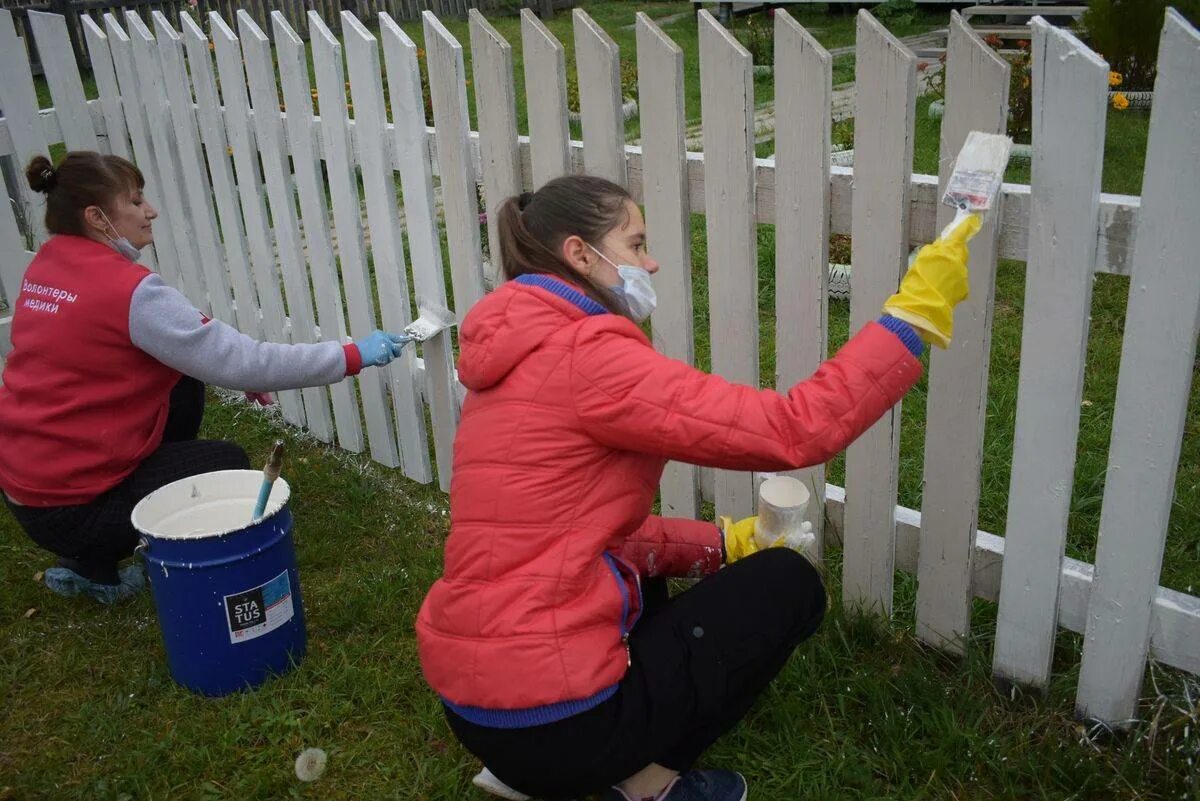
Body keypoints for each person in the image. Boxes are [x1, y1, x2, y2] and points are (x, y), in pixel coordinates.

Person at [415, 174, 979, 801]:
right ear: (580, 254)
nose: (649, 261)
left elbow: (583, 535)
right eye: (634, 244)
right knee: (788, 586)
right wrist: (910, 320)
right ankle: (640, 788)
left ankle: (546, 765)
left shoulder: (507, 357)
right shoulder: (587, 353)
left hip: (472, 707)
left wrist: (719, 543)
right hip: (560, 723)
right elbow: (795, 428)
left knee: (636, 572)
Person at [0, 151, 409, 604]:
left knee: (182, 379)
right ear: (97, 217)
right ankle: (99, 563)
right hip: (74, 509)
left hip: (26, 486)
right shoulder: (129, 291)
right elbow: (244, 360)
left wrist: (221, 366)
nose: (150, 210)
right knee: (226, 465)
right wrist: (352, 355)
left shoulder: (50, 263)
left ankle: (94, 549)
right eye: (135, 202)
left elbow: (185, 349)